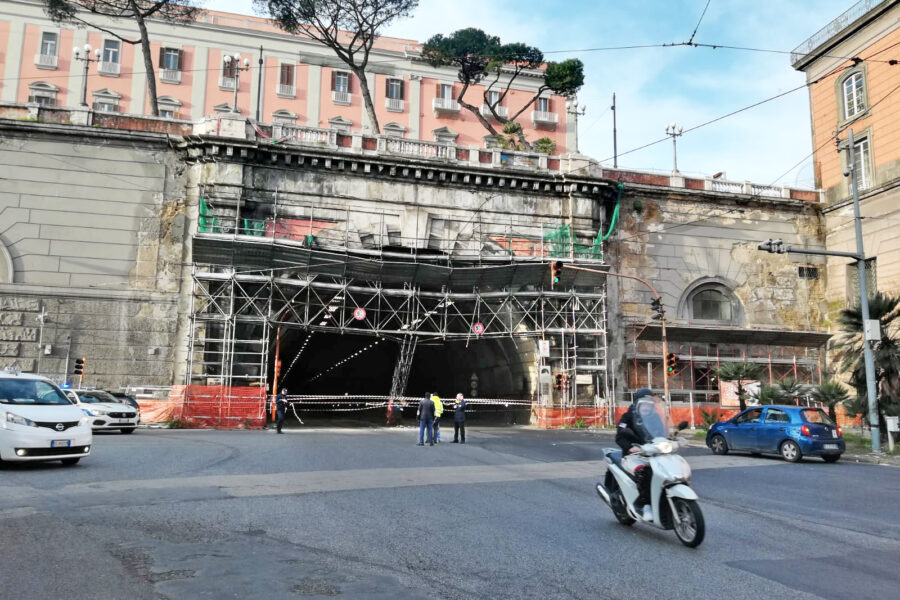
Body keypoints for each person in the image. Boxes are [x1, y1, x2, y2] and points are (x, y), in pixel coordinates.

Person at [615, 388, 665, 521]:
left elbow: (662, 433)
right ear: (637, 403)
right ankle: (645, 505)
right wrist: (630, 448)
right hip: (633, 455)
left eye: (649, 404)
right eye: (644, 404)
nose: (647, 407)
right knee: (645, 472)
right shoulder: (628, 416)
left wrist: (673, 440)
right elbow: (619, 437)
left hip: (652, 452)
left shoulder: (655, 417)